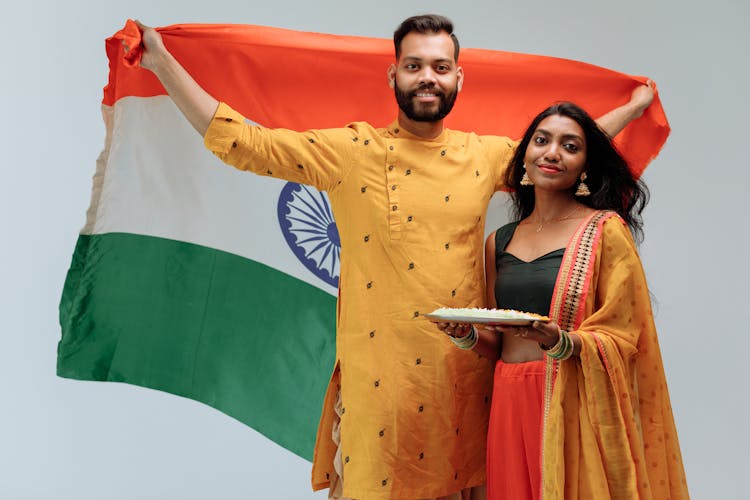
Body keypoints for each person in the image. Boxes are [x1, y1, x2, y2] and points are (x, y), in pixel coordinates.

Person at [127, 14, 656, 500]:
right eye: (415, 65)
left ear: (458, 80)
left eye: (441, 67)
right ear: (393, 76)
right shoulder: (349, 150)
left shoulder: (485, 154)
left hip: (464, 388)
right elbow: (244, 144)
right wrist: (160, 61)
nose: (428, 76)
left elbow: (559, 152)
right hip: (378, 389)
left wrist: (632, 108)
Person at [439, 102, 688, 499]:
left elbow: (628, 336)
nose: (552, 152)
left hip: (569, 399)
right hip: (508, 397)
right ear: (525, 157)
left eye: (570, 146)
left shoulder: (605, 232)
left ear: (585, 165)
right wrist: (466, 333)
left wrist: (563, 342)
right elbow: (498, 340)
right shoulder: (498, 241)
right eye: (542, 141)